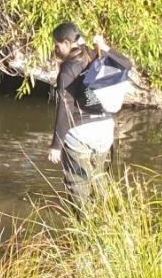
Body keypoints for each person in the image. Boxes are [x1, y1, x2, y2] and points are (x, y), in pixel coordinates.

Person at [48, 22, 115, 201]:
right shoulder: (97, 54)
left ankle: (83, 223)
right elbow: (125, 63)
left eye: (57, 44)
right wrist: (104, 47)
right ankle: (106, 220)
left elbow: (65, 107)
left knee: (78, 183)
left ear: (67, 43)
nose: (56, 49)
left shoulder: (69, 67)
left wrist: (56, 145)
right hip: (106, 129)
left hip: (82, 131)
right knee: (101, 179)